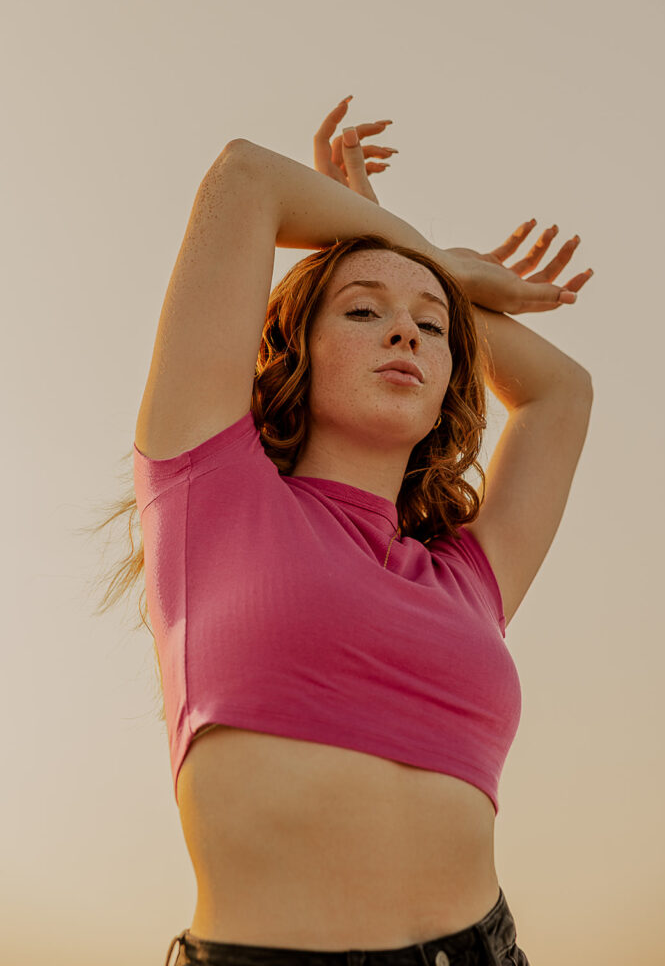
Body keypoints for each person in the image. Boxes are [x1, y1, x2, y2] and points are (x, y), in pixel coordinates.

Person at [133, 97, 594, 966]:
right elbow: (246, 175)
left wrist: (427, 275)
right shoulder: (209, 486)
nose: (404, 333)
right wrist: (429, 261)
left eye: (432, 328)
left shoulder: (467, 575)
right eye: (361, 311)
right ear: (294, 347)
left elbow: (562, 390)